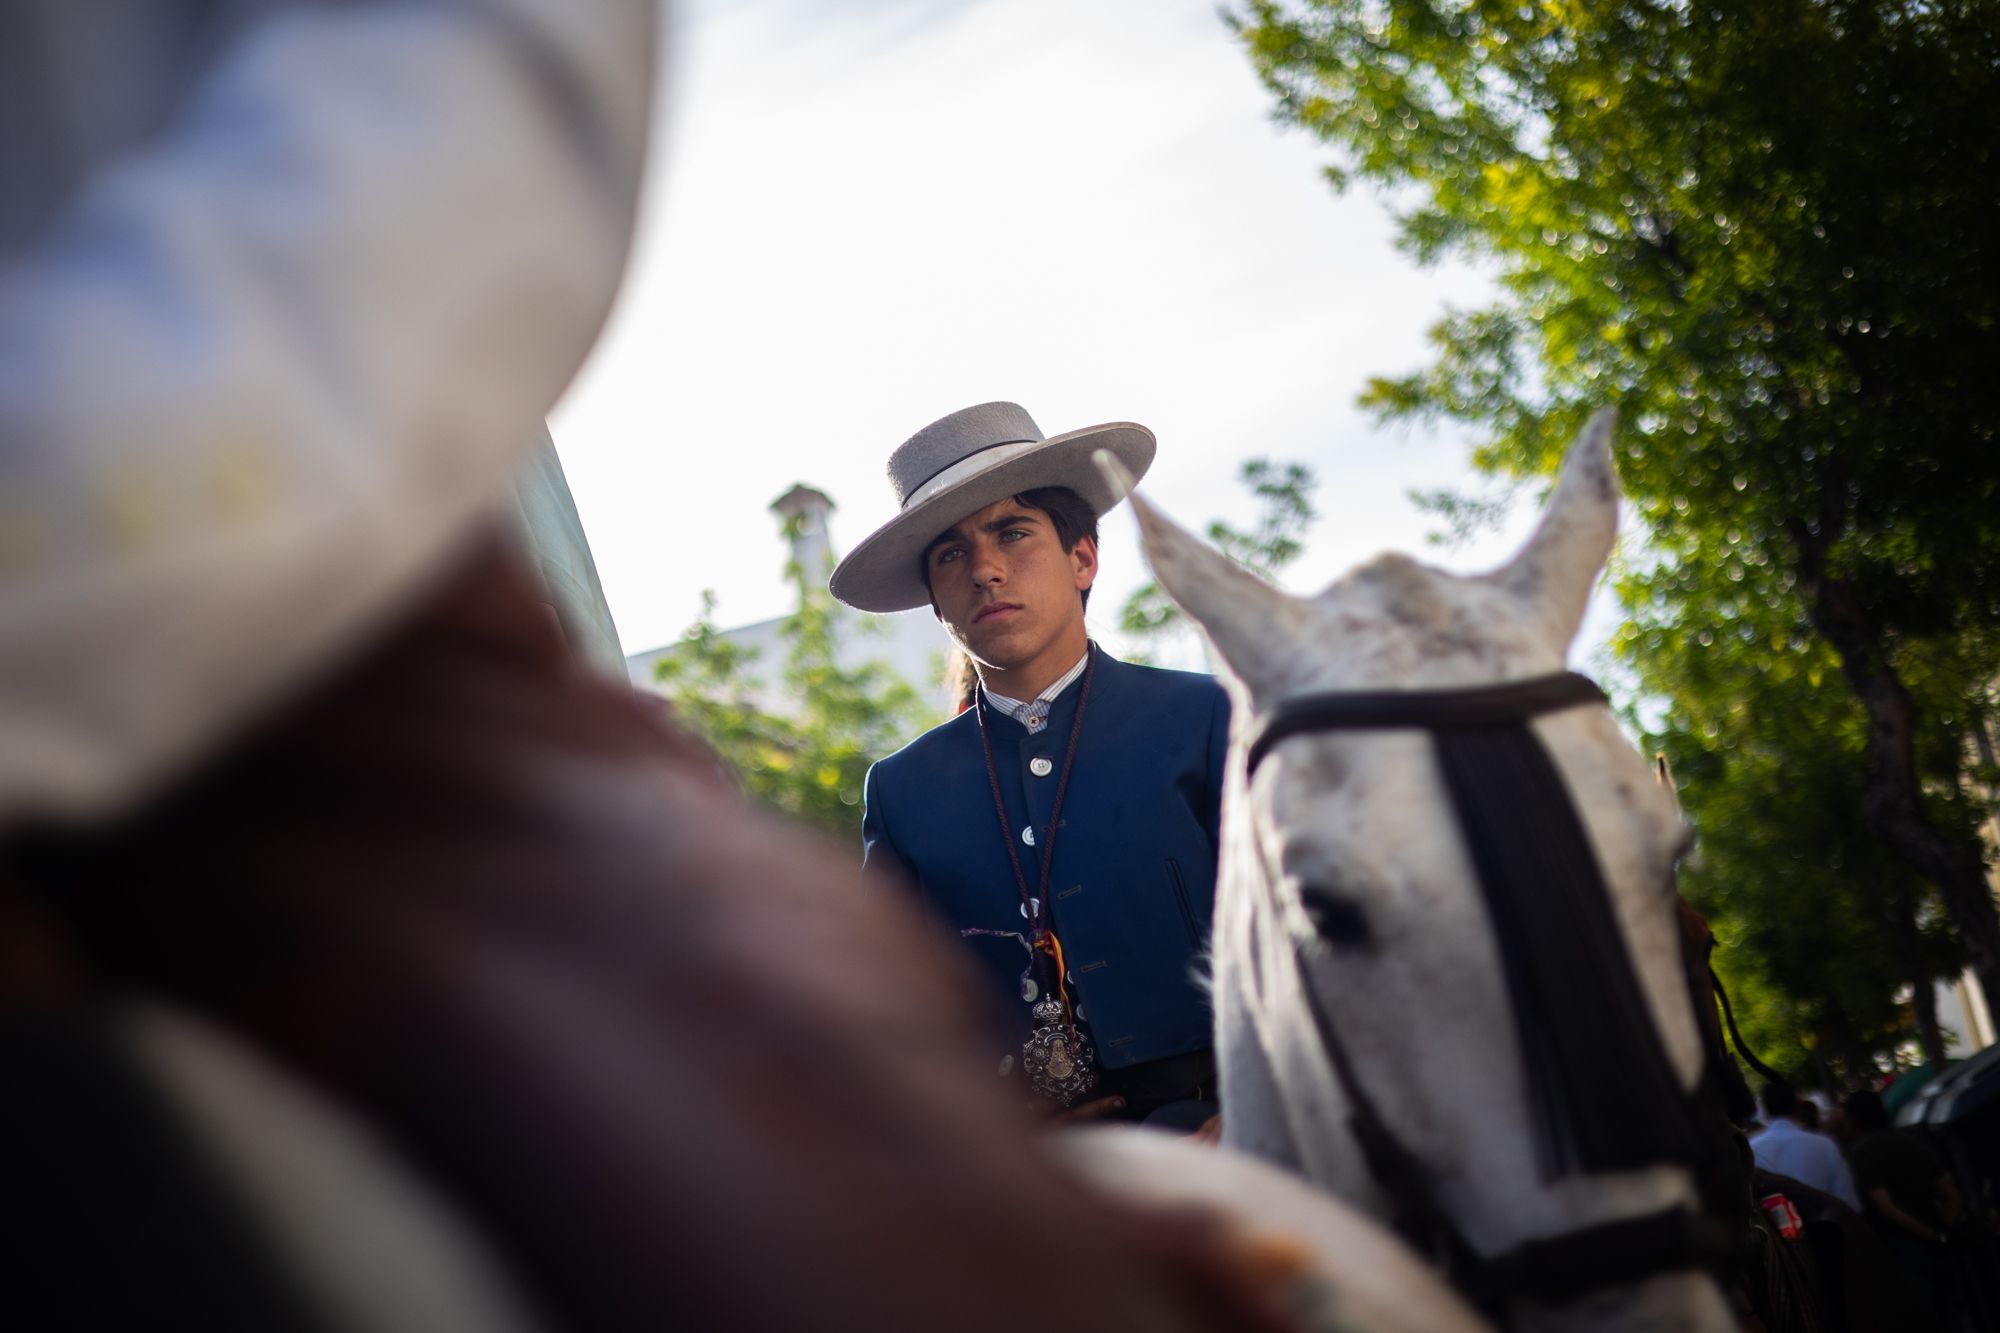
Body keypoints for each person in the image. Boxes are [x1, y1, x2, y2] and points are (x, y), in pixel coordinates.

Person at [834, 402, 1229, 1135]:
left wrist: (1250, 1117)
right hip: (1041, 1188)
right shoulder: (901, 789)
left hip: (1243, 1135)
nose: (985, 569)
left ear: (1083, 558)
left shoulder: (1208, 717)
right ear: (935, 601)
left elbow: (1318, 942)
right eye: (950, 553)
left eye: (1012, 533)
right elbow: (891, 1014)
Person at [1844, 1089, 1960, 1324]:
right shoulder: (1912, 1140)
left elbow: (1885, 1207)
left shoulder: (1862, 1153)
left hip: (1901, 1246)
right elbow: (1952, 1194)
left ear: (1854, 1120)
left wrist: (1929, 1235)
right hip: (1940, 1241)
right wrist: (1942, 1230)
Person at [1751, 1082, 1860, 1209]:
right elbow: (1850, 1202)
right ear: (1798, 1106)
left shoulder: (1753, 1149)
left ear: (1765, 1110)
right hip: (1829, 1225)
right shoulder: (1825, 1145)